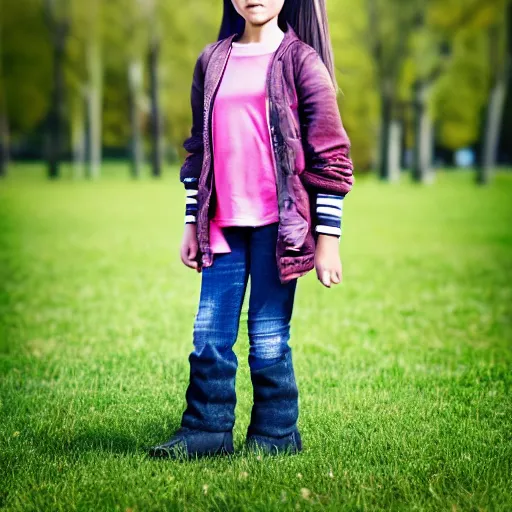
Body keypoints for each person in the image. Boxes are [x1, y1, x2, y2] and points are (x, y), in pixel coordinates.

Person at [148, 0, 354, 459]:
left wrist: (328, 241)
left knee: (267, 337)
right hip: (221, 225)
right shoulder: (212, 59)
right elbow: (199, 151)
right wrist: (189, 224)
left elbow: (332, 158)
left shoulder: (302, 62)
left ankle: (275, 436)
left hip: (279, 229)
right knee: (209, 336)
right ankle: (206, 431)